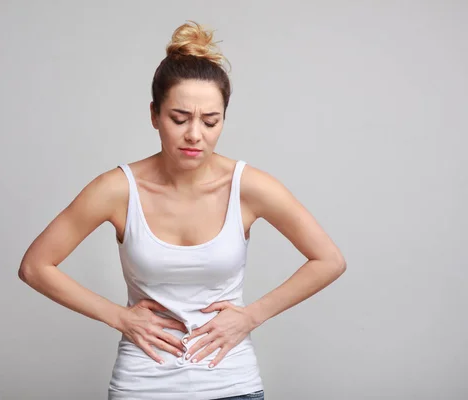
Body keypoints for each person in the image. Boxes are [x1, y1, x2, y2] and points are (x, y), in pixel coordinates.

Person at [18, 20, 346, 400]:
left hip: (232, 384)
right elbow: (35, 266)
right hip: (142, 385)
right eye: (179, 118)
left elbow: (329, 260)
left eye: (211, 121)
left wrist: (253, 315)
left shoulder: (248, 186)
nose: (195, 135)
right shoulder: (117, 189)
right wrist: (119, 317)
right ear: (155, 115)